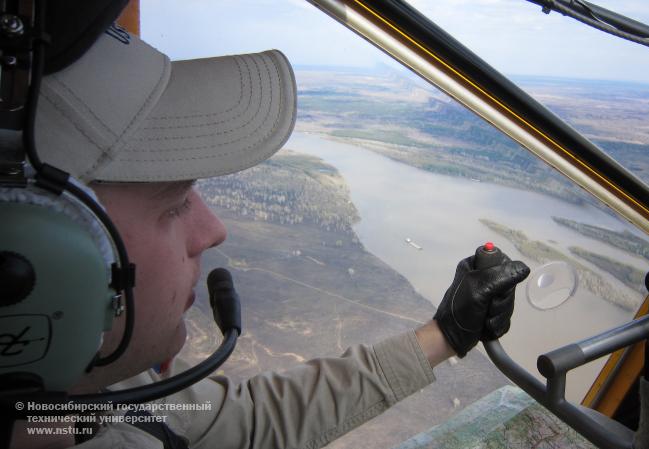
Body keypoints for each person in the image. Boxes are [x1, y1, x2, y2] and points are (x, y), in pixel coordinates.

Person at [9, 25, 529, 449]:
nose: (213, 230)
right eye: (173, 203)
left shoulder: (94, 395)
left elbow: (248, 422)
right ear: (26, 263)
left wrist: (445, 334)